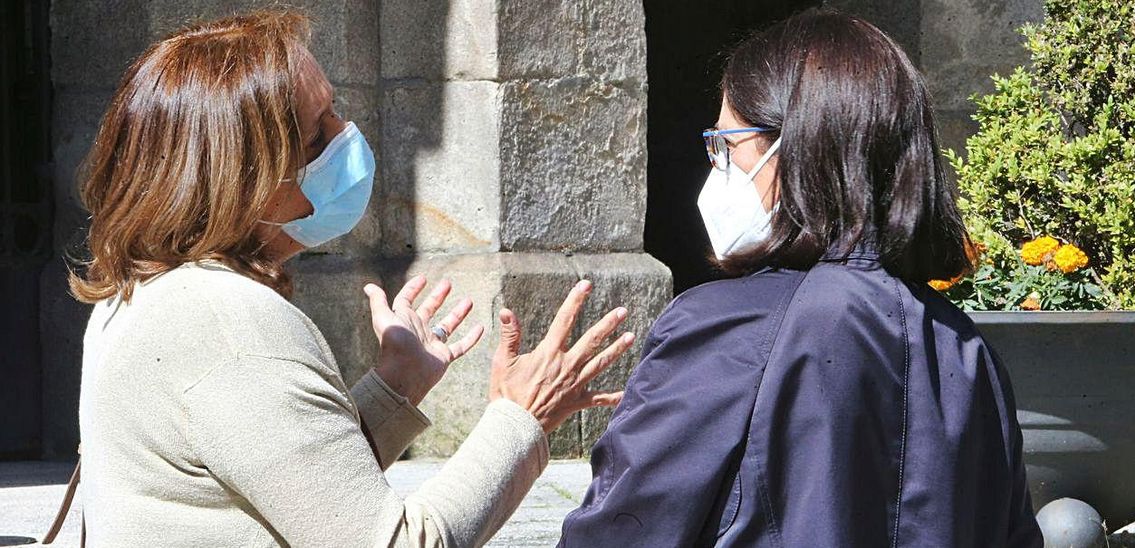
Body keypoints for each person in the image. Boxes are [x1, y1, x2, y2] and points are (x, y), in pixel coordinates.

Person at [70, 10, 634, 546]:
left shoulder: (147, 294)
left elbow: (289, 490)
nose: (347, 137)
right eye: (318, 135)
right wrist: (521, 417)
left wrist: (396, 385)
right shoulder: (234, 327)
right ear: (242, 178)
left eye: (335, 111)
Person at [559, 9, 1043, 547]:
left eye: (727, 145)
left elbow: (623, 530)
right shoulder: (968, 351)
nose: (716, 166)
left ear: (795, 149)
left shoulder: (725, 327)